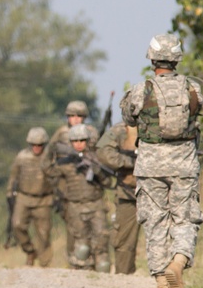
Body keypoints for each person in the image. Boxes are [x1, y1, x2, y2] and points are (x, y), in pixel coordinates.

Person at [120, 33, 203, 288]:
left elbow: (129, 117)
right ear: (177, 59)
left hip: (150, 166)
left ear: (152, 58)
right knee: (186, 218)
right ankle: (178, 263)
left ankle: (162, 282)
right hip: (184, 164)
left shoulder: (141, 89)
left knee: (155, 222)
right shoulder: (193, 87)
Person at [43, 123, 113, 271]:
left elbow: (108, 182)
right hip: (75, 207)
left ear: (87, 141)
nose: (79, 144)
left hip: (96, 206)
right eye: (75, 141)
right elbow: (48, 170)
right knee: (81, 248)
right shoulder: (65, 163)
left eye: (82, 141)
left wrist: (97, 171)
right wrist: (50, 151)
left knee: (102, 252)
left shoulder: (95, 159)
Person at [46, 100, 100, 264]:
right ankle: (73, 257)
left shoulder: (91, 132)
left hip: (87, 181)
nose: (75, 119)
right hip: (66, 181)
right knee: (71, 223)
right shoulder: (61, 133)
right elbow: (50, 152)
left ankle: (90, 258)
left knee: (93, 226)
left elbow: (99, 154)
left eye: (79, 116)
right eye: (72, 116)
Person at [6, 127, 54, 267]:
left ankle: (45, 264)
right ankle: (29, 250)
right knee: (17, 224)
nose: (37, 148)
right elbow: (13, 177)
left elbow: (56, 178)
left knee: (44, 233)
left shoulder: (50, 158)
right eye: (34, 145)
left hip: (43, 199)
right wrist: (9, 193)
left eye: (40, 145)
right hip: (23, 197)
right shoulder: (22, 157)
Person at [96, 121, 139, 275]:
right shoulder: (124, 130)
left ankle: (167, 280)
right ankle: (124, 279)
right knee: (123, 241)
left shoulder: (166, 127)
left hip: (161, 193)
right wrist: (130, 162)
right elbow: (103, 152)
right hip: (129, 193)